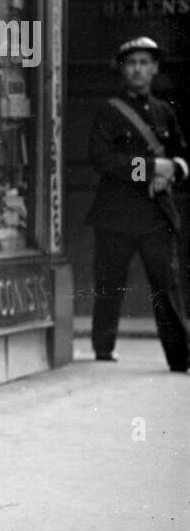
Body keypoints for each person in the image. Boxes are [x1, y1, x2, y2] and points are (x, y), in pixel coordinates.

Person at [85, 35, 189, 370]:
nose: (138, 69)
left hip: (156, 213)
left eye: (144, 63)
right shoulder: (108, 111)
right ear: (122, 70)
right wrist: (148, 169)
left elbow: (181, 155)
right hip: (115, 212)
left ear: (155, 68)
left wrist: (171, 171)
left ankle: (180, 358)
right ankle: (103, 348)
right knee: (109, 284)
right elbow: (102, 159)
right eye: (131, 63)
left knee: (167, 286)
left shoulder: (164, 112)